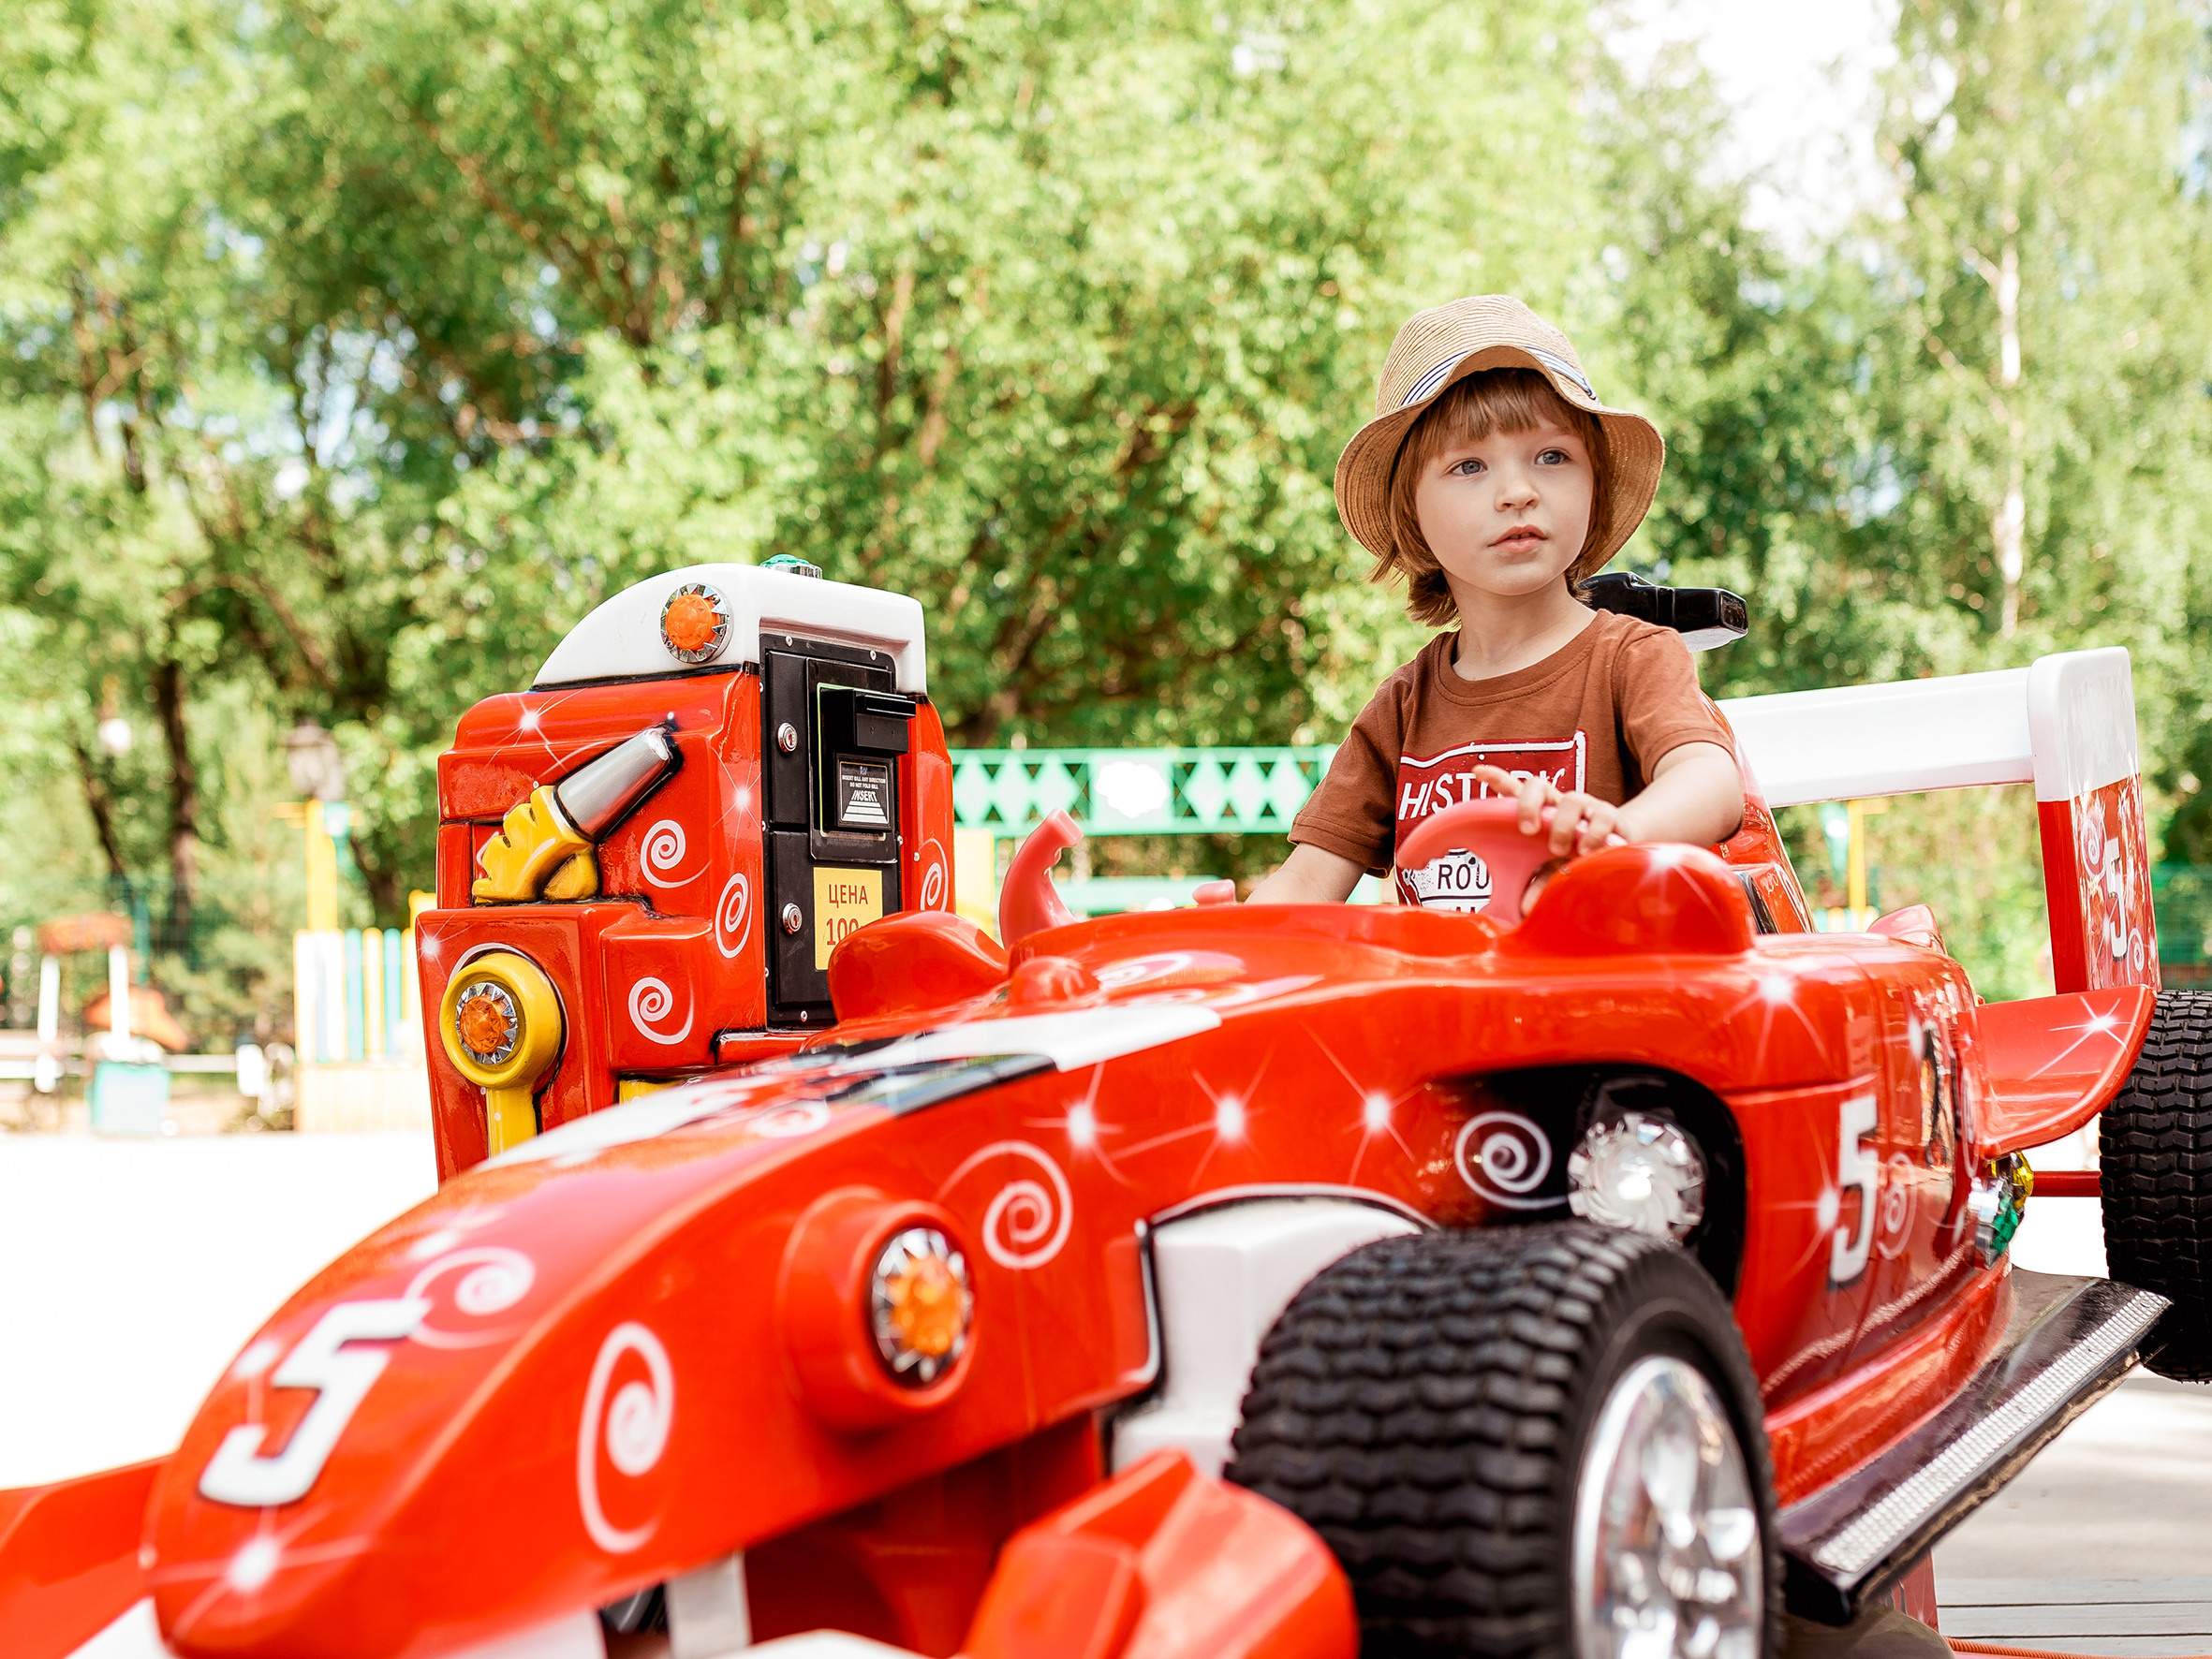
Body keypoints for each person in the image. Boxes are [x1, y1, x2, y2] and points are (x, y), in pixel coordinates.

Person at [1248, 295, 1744, 910]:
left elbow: (1712, 781)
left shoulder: (1633, 657)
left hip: (1604, 997)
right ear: (1413, 512)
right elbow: (1305, 884)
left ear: (1595, 484)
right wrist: (1213, 950)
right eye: (1470, 465)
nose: (1517, 492)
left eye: (1552, 456)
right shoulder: (1403, 710)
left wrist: (1617, 837)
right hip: (1449, 1005)